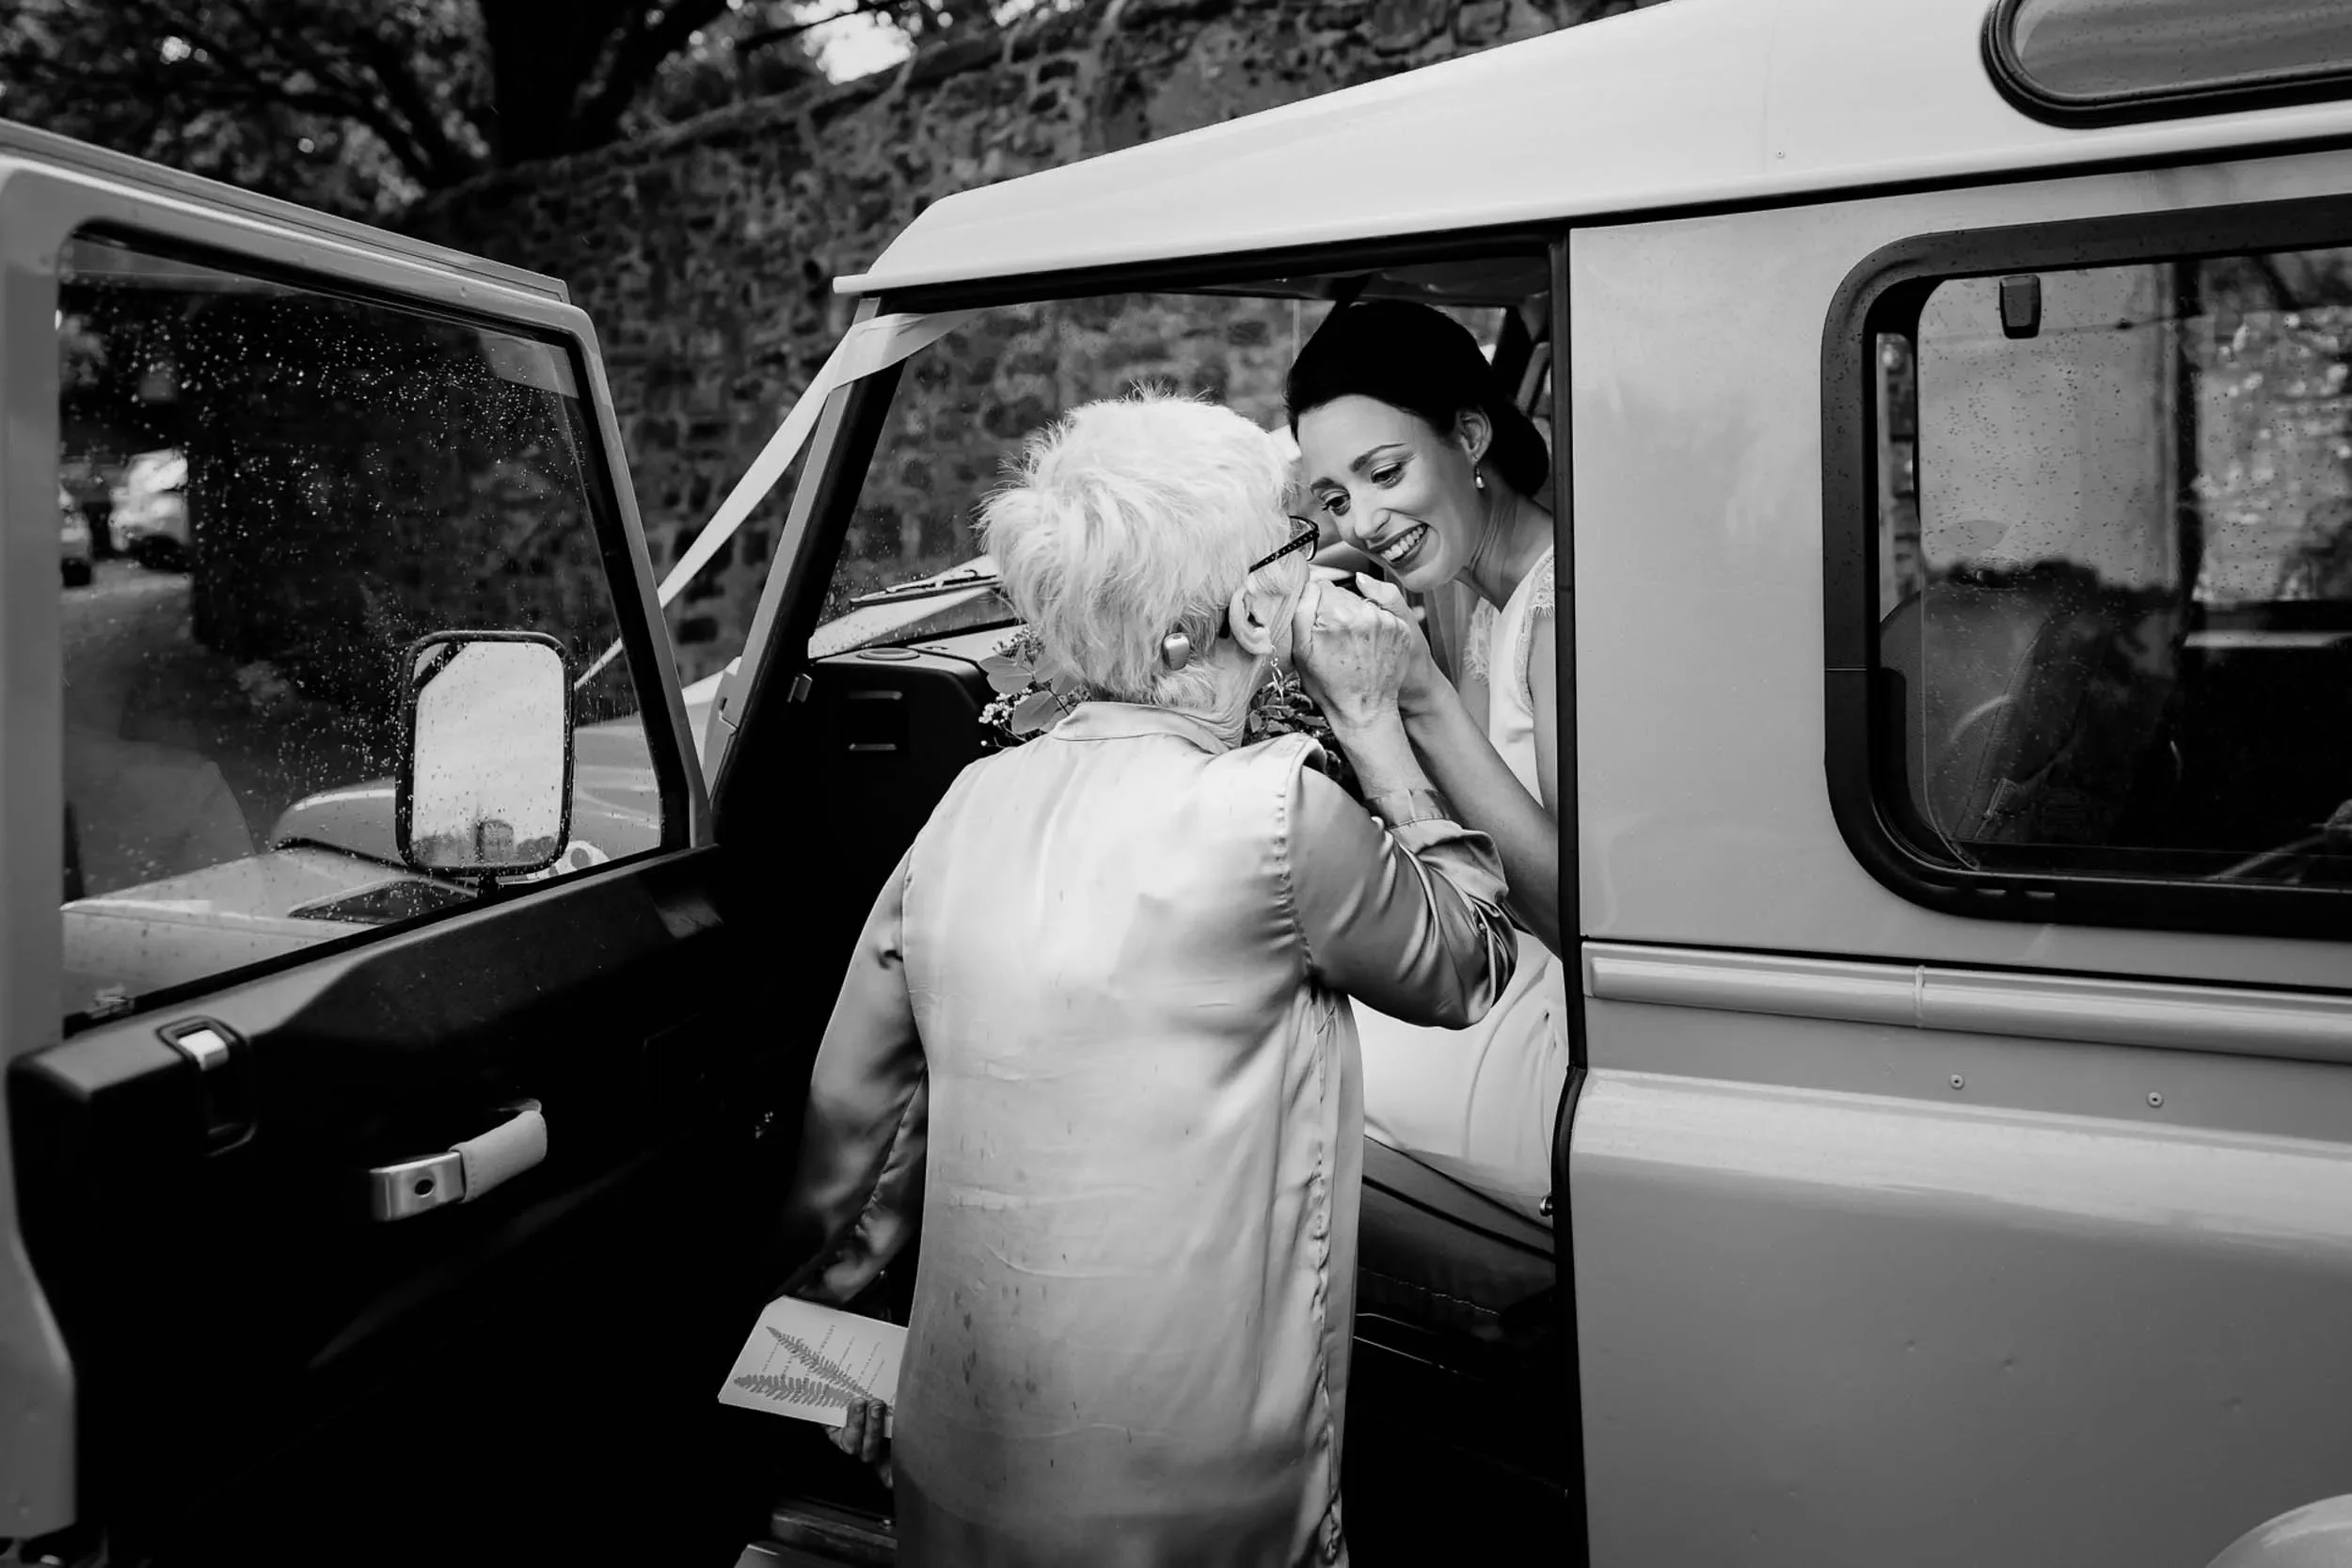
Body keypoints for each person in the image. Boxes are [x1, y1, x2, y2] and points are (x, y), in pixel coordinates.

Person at [772, 389, 1519, 1565]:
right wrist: (1378, 722)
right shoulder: (1277, 810)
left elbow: (862, 1125)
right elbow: (1471, 962)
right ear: (1242, 610)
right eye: (1295, 542)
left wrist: (829, 1353)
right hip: (1204, 1506)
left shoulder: (967, 802)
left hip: (958, 1477)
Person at [1284, 299, 1570, 1223]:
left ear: (1470, 436)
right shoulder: (1474, 584)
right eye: (1336, 497)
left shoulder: (1565, 616)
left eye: (1385, 471)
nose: (1366, 520)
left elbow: (1586, 925)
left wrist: (1419, 698)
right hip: (1510, 978)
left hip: (1572, 1037)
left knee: (1270, 1056)